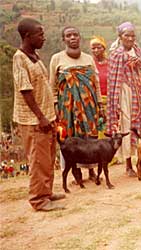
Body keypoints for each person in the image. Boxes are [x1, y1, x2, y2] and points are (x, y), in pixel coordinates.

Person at [13, 18, 65, 211]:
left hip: (46, 116)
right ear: (28, 36)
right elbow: (25, 91)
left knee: (48, 157)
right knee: (37, 159)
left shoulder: (35, 56)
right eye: (40, 34)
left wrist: (52, 112)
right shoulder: (20, 58)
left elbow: (43, 87)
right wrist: (41, 117)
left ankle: (47, 192)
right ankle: (38, 199)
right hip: (33, 119)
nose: (44, 38)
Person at [49, 26, 104, 181]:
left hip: (89, 106)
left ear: (80, 38)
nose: (72, 38)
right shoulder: (57, 59)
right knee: (72, 139)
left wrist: (100, 105)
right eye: (68, 35)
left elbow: (96, 84)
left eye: (75, 35)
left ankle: (91, 170)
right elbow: (52, 85)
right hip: (67, 108)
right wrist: (54, 106)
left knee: (90, 137)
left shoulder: (88, 59)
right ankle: (75, 172)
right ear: (63, 39)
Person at [107, 22, 141, 177]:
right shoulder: (115, 54)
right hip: (125, 94)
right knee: (126, 127)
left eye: (133, 35)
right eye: (127, 35)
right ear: (120, 37)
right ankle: (128, 166)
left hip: (140, 93)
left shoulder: (138, 52)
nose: (130, 38)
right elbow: (113, 78)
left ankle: (140, 163)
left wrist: (138, 64)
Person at [90, 36, 108, 135]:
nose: (96, 50)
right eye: (93, 48)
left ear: (104, 48)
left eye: (99, 47)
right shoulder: (89, 64)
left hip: (110, 102)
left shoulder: (111, 64)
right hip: (94, 102)